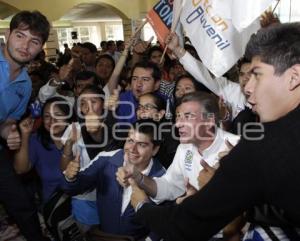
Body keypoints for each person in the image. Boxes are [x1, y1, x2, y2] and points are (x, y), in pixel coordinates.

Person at [130, 22, 300, 241]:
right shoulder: (185, 149)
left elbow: (186, 224)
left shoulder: (251, 149)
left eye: (257, 75)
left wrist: (141, 205)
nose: (247, 88)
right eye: (179, 116)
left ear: (293, 77)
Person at [117, 91, 240, 240]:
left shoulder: (237, 147)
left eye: (187, 116)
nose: (178, 124)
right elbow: (171, 186)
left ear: (209, 120)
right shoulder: (184, 148)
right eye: (178, 117)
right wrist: (140, 178)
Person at [60, 120, 166, 240]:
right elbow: (71, 188)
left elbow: (164, 224)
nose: (132, 149)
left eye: (142, 144)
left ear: (155, 150)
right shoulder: (106, 159)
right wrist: (70, 178)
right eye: (130, 141)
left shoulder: (163, 178)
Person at [0, 10, 50, 241]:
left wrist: (9, 132)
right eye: (20, 36)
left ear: (40, 49)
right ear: (8, 35)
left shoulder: (26, 85)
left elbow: (9, 121)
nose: (25, 45)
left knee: (23, 205)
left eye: (34, 41)